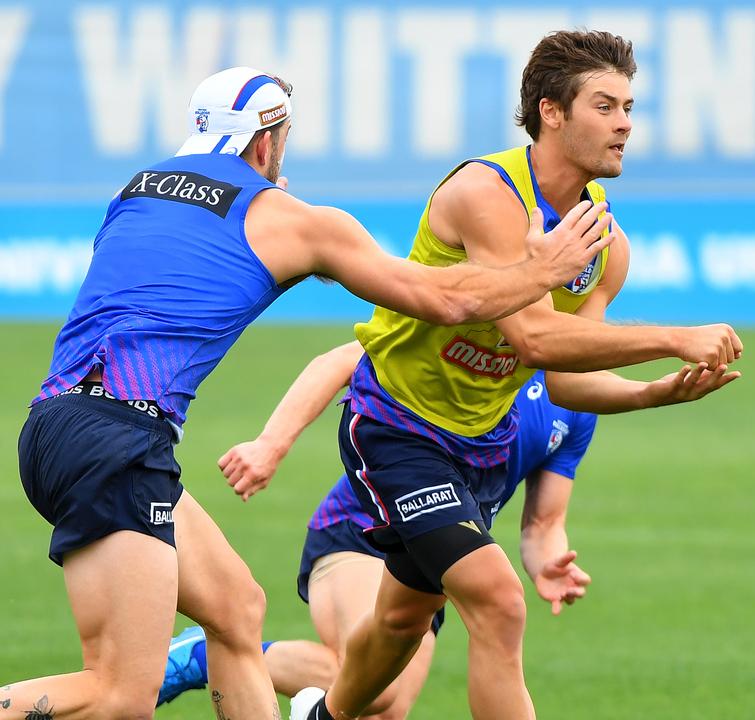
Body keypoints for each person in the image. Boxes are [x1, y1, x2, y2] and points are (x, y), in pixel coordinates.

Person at [3, 65, 612, 720]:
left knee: (236, 611)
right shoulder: (292, 220)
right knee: (121, 697)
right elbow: (443, 299)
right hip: (117, 439)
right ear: (267, 144)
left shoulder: (139, 189)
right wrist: (542, 270)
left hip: (56, 426)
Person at [290, 30, 743, 720]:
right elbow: (532, 336)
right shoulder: (488, 192)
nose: (625, 123)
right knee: (499, 602)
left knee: (401, 623)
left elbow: (561, 378)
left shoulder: (605, 242)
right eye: (605, 105)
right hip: (397, 428)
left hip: (482, 446)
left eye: (629, 106)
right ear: (551, 111)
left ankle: (323, 717)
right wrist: (674, 337)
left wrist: (655, 394)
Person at [158, 340, 738, 717]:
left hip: (447, 545)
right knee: (373, 687)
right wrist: (272, 442)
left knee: (384, 707)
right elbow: (340, 362)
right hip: (364, 527)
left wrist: (548, 561)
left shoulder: (576, 403)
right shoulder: (477, 322)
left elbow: (543, 523)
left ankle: (300, 703)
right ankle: (207, 656)